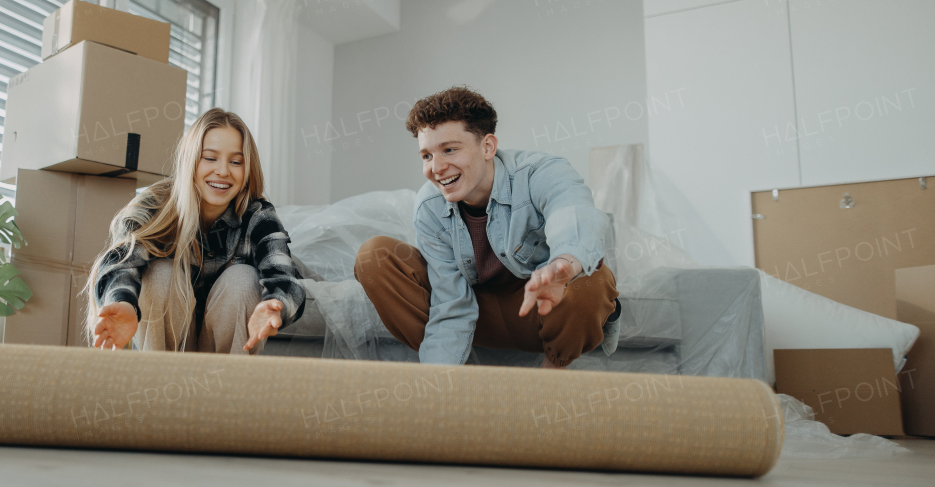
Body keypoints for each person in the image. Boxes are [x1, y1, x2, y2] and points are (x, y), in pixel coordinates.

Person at [354, 87, 619, 368]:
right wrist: (439, 380)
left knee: (593, 279)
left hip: (539, 307)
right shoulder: (429, 205)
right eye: (427, 156)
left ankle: (551, 373)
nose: (437, 167)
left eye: (449, 150)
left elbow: (573, 212)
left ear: (488, 147)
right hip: (478, 312)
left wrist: (563, 265)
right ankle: (462, 378)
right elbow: (450, 300)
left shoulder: (541, 172)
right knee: (375, 255)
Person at [86, 108, 305, 355]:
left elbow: (285, 276)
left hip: (227, 349)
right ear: (190, 160)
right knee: (160, 274)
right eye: (210, 158)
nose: (223, 171)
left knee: (243, 279)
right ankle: (163, 385)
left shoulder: (257, 215)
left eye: (236, 161)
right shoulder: (155, 206)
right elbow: (121, 262)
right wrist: (123, 302)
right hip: (165, 344)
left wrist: (275, 305)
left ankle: (224, 387)